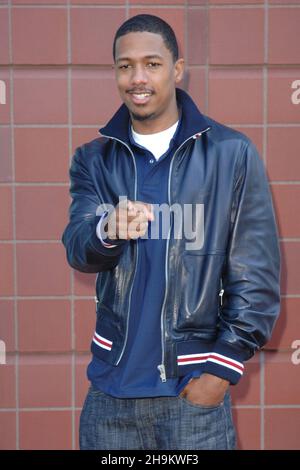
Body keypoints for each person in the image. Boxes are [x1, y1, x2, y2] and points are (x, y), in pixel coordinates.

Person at [62, 14, 280, 450]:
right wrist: (108, 228)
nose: (137, 78)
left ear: (177, 69)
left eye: (152, 64)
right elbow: (79, 249)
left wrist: (219, 372)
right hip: (111, 397)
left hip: (192, 398)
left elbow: (256, 279)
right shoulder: (94, 159)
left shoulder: (230, 153)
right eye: (125, 66)